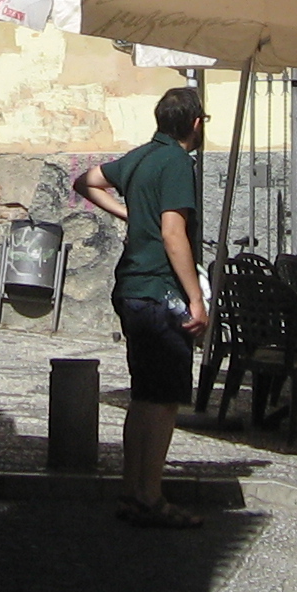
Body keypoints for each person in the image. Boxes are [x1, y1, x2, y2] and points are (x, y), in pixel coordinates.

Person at [72, 86, 208, 529]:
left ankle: (133, 490)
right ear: (196, 124)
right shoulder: (176, 163)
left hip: (131, 287)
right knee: (163, 402)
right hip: (158, 291)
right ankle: (150, 495)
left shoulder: (141, 157)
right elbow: (173, 233)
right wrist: (196, 298)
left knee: (144, 396)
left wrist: (128, 214)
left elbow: (85, 181)